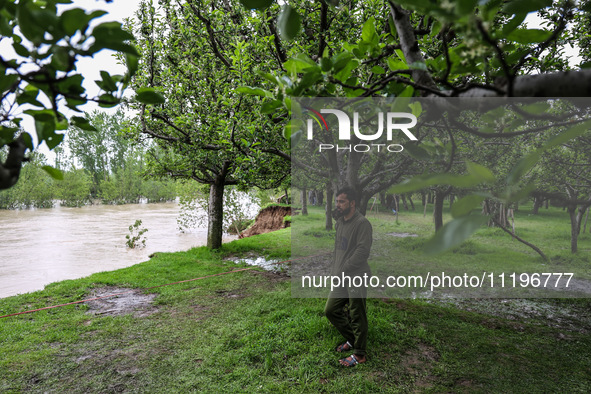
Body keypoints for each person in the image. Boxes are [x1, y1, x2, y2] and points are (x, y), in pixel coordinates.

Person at [325, 186, 373, 367]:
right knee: (331, 310)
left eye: (342, 201)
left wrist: (344, 268)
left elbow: (362, 251)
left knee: (356, 313)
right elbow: (339, 250)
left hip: (356, 276)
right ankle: (354, 339)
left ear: (352, 203)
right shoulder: (340, 223)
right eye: (337, 201)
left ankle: (360, 355)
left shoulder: (362, 224)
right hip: (340, 276)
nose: (338, 204)